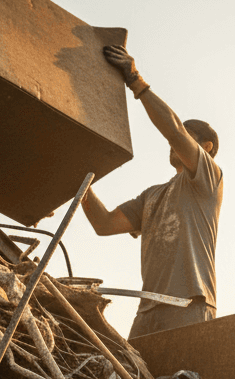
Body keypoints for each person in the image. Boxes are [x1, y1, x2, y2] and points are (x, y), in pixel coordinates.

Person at [81, 44, 223, 339]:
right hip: (147, 312)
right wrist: (80, 182)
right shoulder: (152, 196)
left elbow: (173, 130)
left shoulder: (208, 179)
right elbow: (104, 224)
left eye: (188, 137)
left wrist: (136, 80)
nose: (172, 143)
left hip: (189, 305)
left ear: (205, 147)